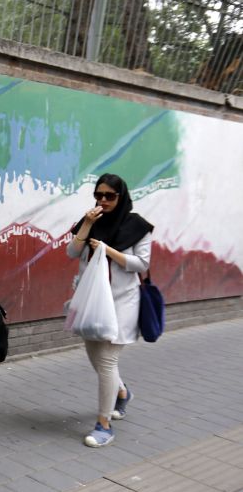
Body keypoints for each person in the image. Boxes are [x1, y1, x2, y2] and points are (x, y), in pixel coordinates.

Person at [68, 173, 153, 447]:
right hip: (90, 301)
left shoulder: (137, 225)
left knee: (106, 362)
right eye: (98, 195)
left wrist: (107, 250)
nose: (103, 201)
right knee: (95, 356)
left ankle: (103, 424)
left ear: (121, 196)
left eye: (109, 196)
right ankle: (122, 392)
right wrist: (88, 225)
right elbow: (72, 252)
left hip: (120, 303)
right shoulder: (91, 220)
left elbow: (141, 264)